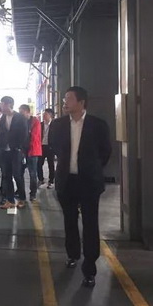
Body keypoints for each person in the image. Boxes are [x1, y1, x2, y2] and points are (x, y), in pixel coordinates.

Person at [49, 86, 111, 288]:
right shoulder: (58, 125)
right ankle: (73, 254)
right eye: (64, 99)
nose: (64, 102)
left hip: (89, 182)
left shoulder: (98, 125)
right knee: (69, 220)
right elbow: (54, 147)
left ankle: (90, 268)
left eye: (68, 99)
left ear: (81, 102)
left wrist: (91, 167)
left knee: (90, 223)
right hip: (66, 181)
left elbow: (105, 152)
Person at [0, 96, 28, 209]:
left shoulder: (20, 117)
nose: (1, 107)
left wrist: (19, 147)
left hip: (16, 151)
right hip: (5, 151)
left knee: (17, 175)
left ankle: (22, 198)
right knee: (6, 176)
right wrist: (1, 145)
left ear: (8, 104)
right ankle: (10, 200)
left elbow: (24, 134)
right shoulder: (3, 117)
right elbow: (0, 133)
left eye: (2, 104)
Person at [19, 104, 42, 202]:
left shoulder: (35, 122)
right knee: (19, 173)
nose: (20, 114)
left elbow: (34, 137)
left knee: (32, 174)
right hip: (22, 151)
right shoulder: (20, 122)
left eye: (22, 112)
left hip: (32, 151)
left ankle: (33, 193)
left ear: (28, 112)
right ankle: (20, 191)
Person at [38, 108, 56, 189]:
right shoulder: (40, 124)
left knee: (51, 164)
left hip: (50, 147)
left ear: (50, 115)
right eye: (43, 114)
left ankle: (51, 180)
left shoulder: (55, 124)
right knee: (39, 164)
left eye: (45, 114)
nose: (44, 116)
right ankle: (41, 179)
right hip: (41, 146)